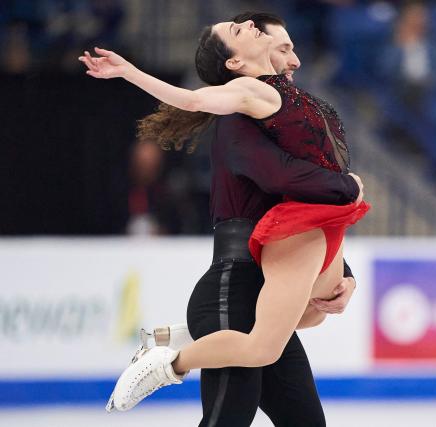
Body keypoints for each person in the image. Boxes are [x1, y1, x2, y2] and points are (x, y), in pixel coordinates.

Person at [80, 14, 369, 425]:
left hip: (277, 262)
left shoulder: (286, 105)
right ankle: (170, 360)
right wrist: (129, 71)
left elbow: (305, 189)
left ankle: (178, 338)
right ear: (236, 63)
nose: (295, 59)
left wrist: (347, 275)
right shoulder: (242, 107)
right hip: (234, 286)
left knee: (314, 334)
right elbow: (281, 175)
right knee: (233, 409)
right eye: (282, 47)